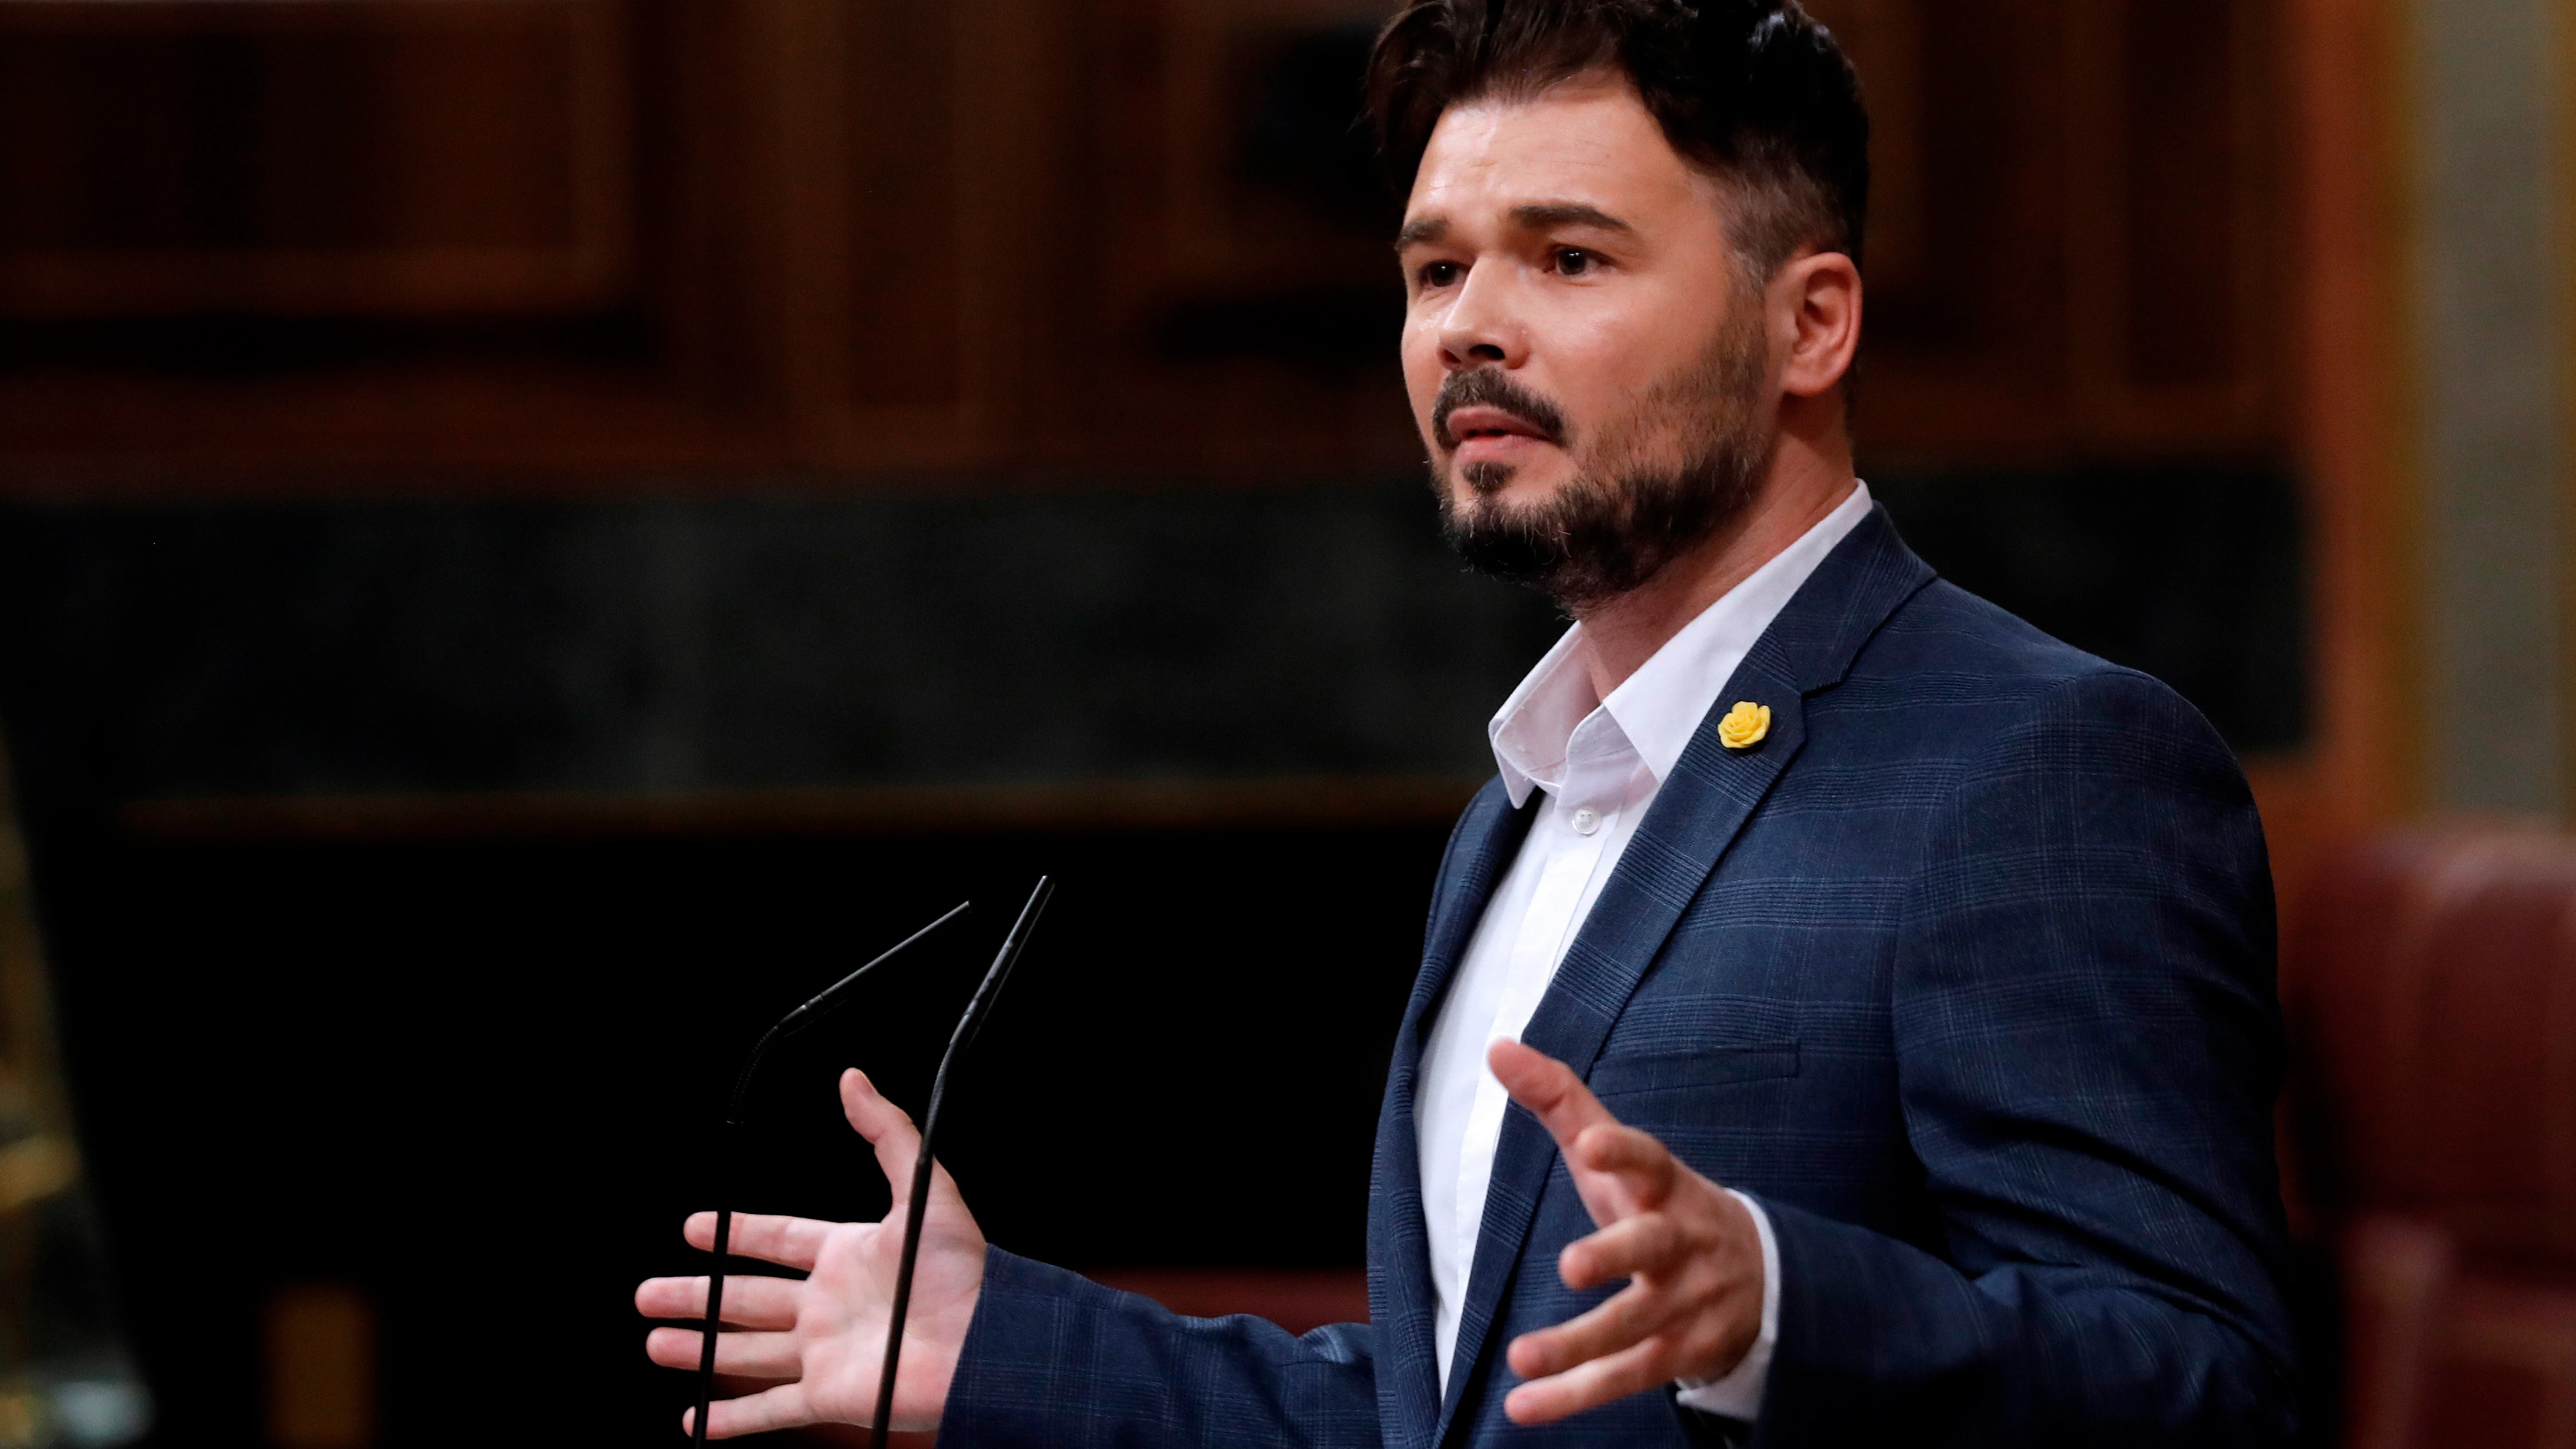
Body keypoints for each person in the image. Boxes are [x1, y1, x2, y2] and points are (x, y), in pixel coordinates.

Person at [634, 1, 2300, 1442]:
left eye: (1569, 256)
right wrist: (1001, 1352)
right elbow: (1442, 1421)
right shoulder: (1527, 804)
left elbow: (2206, 1391)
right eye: (1438, 268)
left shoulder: (2037, 766)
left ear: (1811, 323)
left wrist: (1784, 1303)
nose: (1468, 327)